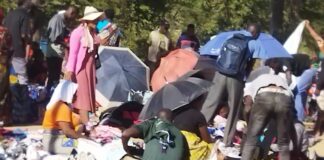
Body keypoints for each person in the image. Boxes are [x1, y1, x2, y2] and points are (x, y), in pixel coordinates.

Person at [200, 23, 265, 147]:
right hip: (235, 78)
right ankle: (227, 141)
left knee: (210, 103)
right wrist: (245, 79)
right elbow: (249, 65)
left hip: (220, 73)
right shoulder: (253, 43)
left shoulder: (231, 37)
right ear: (256, 33)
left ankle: (196, 129)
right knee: (234, 109)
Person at [241, 58, 293, 160]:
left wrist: (249, 125)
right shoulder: (281, 79)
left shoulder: (254, 79)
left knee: (251, 141)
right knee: (283, 144)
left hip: (264, 95)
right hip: (285, 98)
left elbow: (247, 108)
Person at [64, 6, 102, 127]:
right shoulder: (77, 33)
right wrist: (69, 71)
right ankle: (86, 122)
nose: (96, 22)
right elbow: (73, 54)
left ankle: (80, 122)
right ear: (87, 20)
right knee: (82, 95)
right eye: (93, 19)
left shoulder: (93, 33)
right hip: (80, 68)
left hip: (90, 68)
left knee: (87, 94)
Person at [122, 109, 189, 160]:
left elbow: (125, 134)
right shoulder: (180, 134)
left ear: (157, 118)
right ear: (173, 120)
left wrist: (126, 148)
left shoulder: (152, 124)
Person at [42, 80, 86, 154]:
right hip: (55, 142)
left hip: (57, 140)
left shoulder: (62, 106)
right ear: (68, 93)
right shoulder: (61, 107)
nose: (76, 96)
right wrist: (85, 138)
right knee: (84, 146)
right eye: (74, 94)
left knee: (82, 143)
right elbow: (67, 131)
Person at [46, 6, 77, 91]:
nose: (72, 19)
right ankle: (53, 94)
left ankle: (49, 92)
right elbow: (54, 38)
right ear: (71, 13)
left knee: (54, 75)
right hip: (54, 50)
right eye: (73, 17)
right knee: (54, 74)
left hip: (57, 50)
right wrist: (67, 44)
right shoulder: (58, 19)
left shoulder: (62, 20)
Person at [4, 0, 32, 85]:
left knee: (9, 77)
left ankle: (10, 97)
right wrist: (29, 40)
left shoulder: (9, 15)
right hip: (18, 50)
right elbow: (24, 35)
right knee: (22, 77)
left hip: (7, 51)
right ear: (26, 2)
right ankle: (21, 98)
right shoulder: (25, 15)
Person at [0, 8, 12, 125]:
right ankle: (3, 117)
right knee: (3, 92)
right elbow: (9, 48)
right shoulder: (5, 32)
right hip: (3, 65)